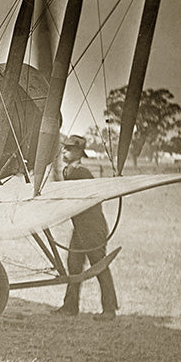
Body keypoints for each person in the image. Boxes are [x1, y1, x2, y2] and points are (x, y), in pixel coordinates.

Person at [54, 134, 118, 320]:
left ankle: (109, 310)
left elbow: (60, 182)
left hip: (92, 228)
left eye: (69, 149)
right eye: (64, 148)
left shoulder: (78, 172)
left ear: (79, 153)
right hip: (81, 228)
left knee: (99, 266)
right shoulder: (72, 170)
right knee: (74, 265)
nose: (64, 151)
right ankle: (70, 306)